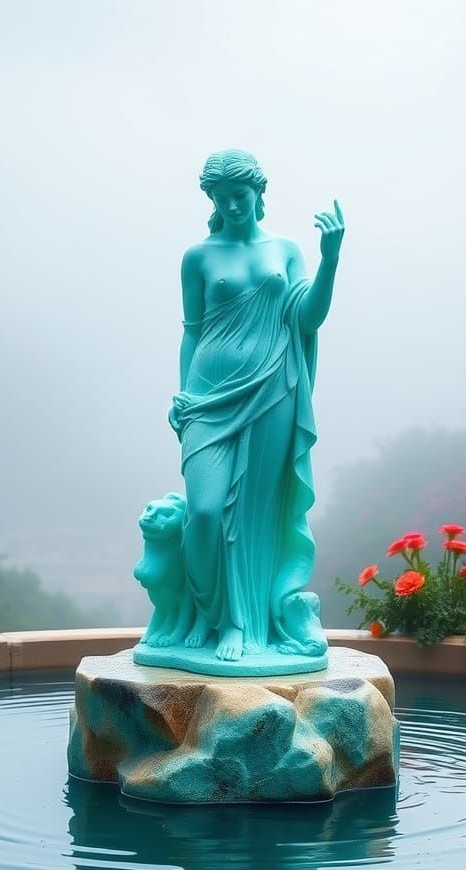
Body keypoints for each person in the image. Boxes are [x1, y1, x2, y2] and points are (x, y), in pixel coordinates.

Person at [167, 149, 344, 663]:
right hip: (208, 394)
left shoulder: (286, 250)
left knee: (253, 514)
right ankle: (207, 611)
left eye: (239, 196)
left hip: (273, 389)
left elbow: (308, 318)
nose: (231, 205)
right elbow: (191, 332)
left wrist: (330, 260)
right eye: (221, 198)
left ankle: (240, 623)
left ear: (259, 194)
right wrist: (183, 394)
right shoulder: (197, 257)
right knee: (203, 511)